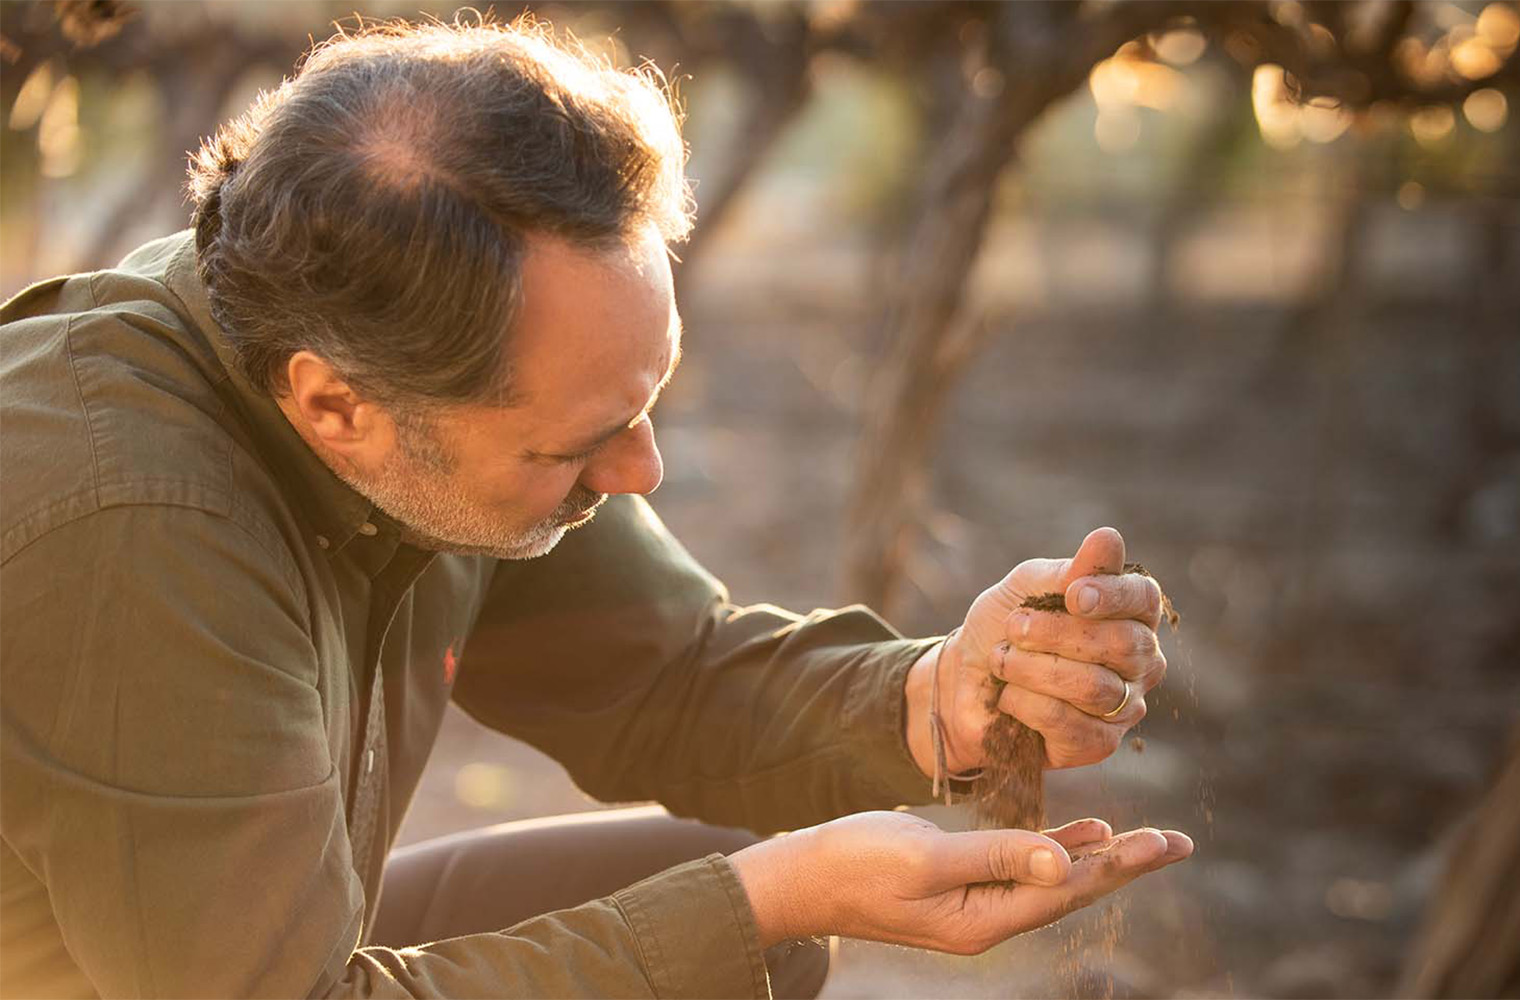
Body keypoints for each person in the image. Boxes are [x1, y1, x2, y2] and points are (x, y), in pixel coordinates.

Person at [0, 16, 1190, 999]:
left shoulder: (379, 364)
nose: (641, 471)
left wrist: (943, 698)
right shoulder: (128, 519)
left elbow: (661, 675)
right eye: (577, 439)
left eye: (645, 402)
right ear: (336, 407)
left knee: (741, 936)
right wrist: (770, 895)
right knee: (736, 921)